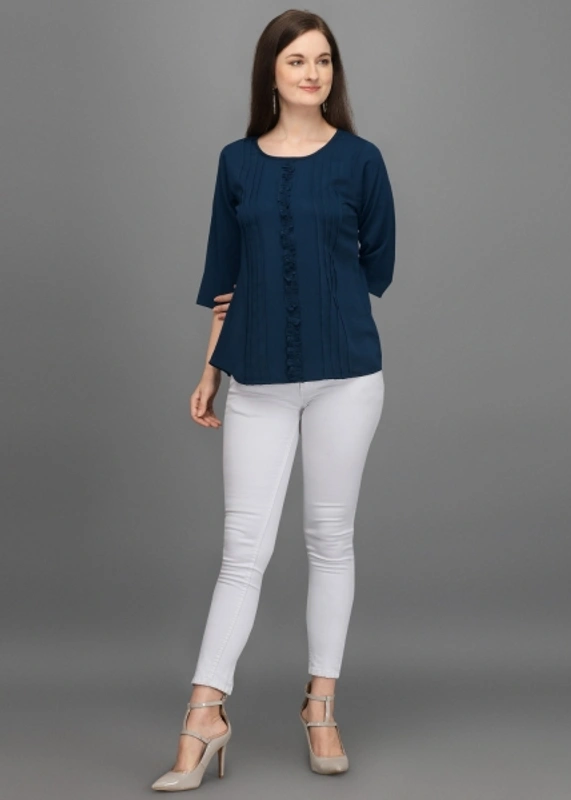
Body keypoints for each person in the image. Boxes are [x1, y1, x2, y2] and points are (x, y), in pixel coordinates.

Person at [151, 8, 395, 791]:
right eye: (296, 61)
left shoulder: (361, 159)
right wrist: (210, 371)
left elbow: (379, 263)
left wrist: (326, 294)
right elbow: (226, 275)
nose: (312, 74)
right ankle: (204, 715)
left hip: (346, 378)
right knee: (243, 551)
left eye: (323, 60)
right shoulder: (236, 163)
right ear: (272, 72)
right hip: (255, 378)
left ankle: (320, 706)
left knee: (330, 539)